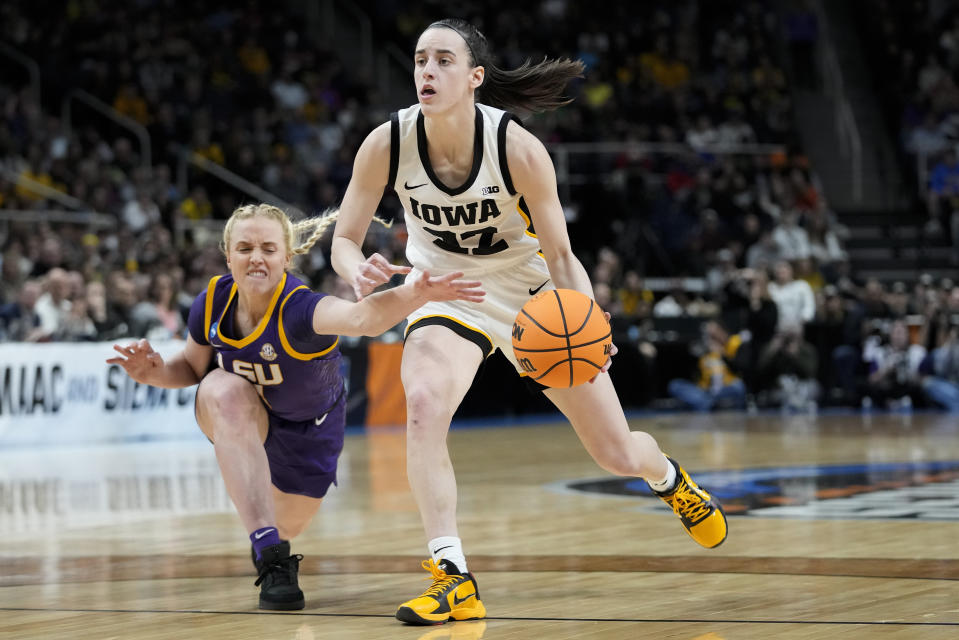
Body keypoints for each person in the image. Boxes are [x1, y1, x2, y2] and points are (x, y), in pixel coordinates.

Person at [330, 19, 728, 626]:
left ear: (475, 77)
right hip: (445, 291)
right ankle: (452, 576)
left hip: (530, 297)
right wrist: (356, 270)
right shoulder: (386, 142)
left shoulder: (517, 147)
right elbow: (345, 239)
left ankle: (669, 479)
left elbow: (563, 255)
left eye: (442, 60)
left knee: (617, 453)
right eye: (419, 60)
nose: (427, 72)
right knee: (423, 406)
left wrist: (592, 325)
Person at [107, 203, 483, 611]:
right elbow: (193, 369)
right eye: (245, 247)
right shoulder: (212, 300)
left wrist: (415, 293)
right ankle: (272, 559)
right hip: (248, 418)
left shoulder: (301, 309)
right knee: (221, 389)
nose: (256, 257)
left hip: (309, 434)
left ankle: (274, 537)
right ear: (227, 254)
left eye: (268, 248)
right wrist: (154, 372)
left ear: (286, 258)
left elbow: (362, 319)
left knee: (286, 523)